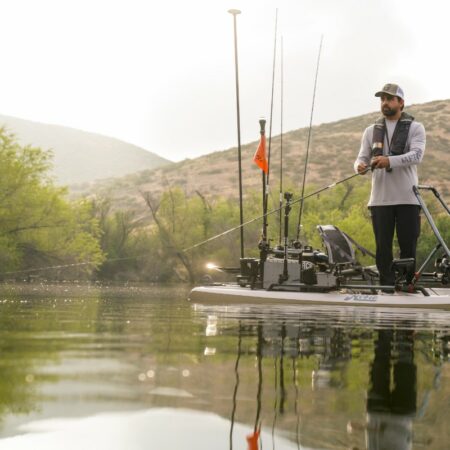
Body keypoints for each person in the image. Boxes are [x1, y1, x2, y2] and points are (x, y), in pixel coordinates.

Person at [354, 83, 426, 290]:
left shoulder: (416, 128)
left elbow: (417, 155)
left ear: (401, 102)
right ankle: (386, 288)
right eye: (382, 99)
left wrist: (389, 161)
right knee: (382, 248)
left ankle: (408, 286)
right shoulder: (370, 131)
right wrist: (359, 167)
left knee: (408, 246)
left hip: (408, 198)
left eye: (389, 99)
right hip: (379, 199)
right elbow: (361, 158)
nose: (385, 103)